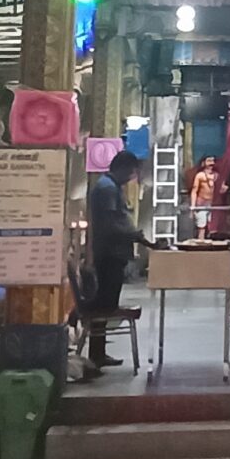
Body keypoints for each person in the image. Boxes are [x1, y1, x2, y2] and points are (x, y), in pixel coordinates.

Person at [85, 152, 144, 366]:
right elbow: (112, 225)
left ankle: (98, 352)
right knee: (104, 306)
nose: (130, 177)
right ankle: (96, 353)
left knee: (106, 304)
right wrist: (136, 236)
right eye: (130, 172)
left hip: (112, 254)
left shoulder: (110, 187)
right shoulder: (107, 188)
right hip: (109, 255)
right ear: (121, 168)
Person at [187, 155, 219, 236]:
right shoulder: (200, 175)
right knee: (202, 227)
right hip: (201, 204)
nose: (211, 163)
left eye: (213, 161)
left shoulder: (216, 175)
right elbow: (194, 191)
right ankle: (201, 244)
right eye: (209, 161)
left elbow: (220, 189)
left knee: (211, 227)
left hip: (212, 204)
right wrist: (193, 207)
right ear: (203, 163)